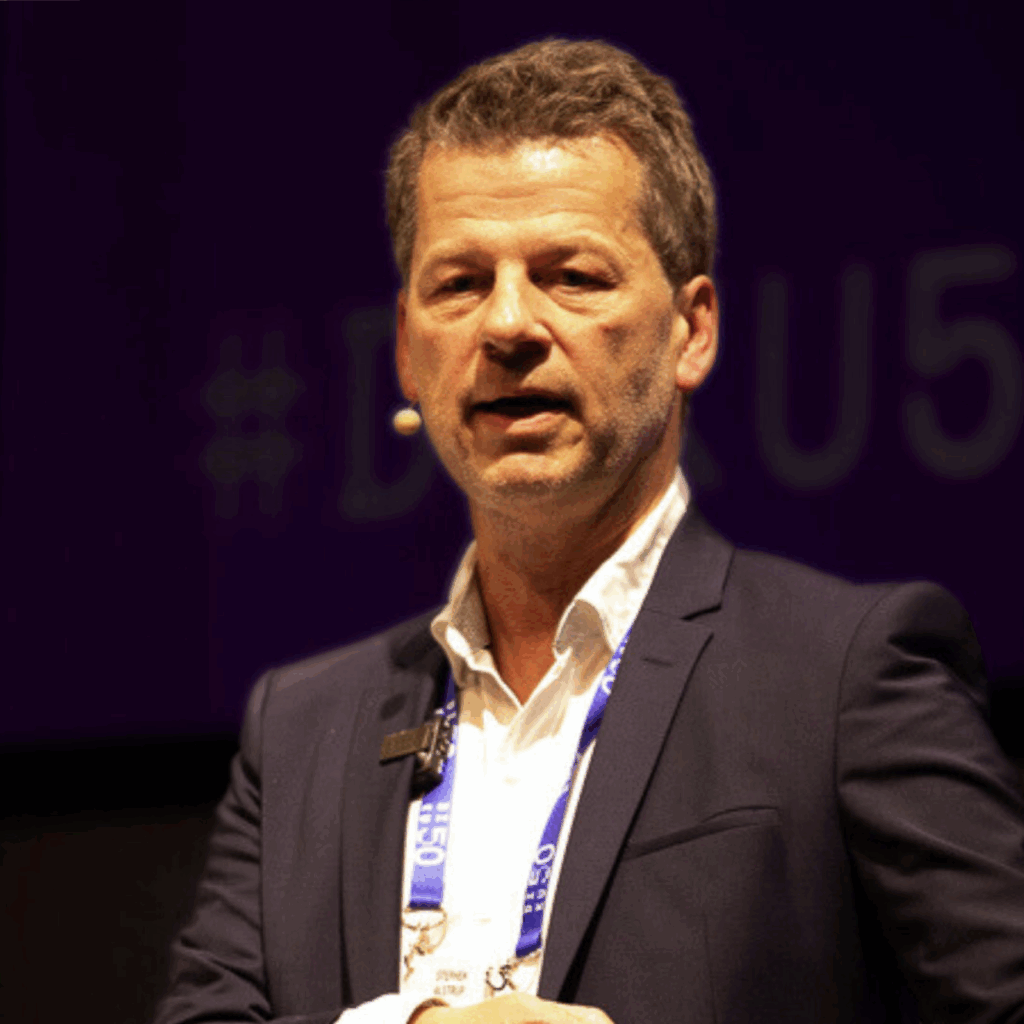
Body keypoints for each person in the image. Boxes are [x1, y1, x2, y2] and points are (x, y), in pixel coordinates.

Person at [154, 38, 1024, 1024]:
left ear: (692, 330)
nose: (507, 325)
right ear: (404, 350)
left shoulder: (842, 677)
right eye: (459, 283)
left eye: (570, 274)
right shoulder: (303, 729)